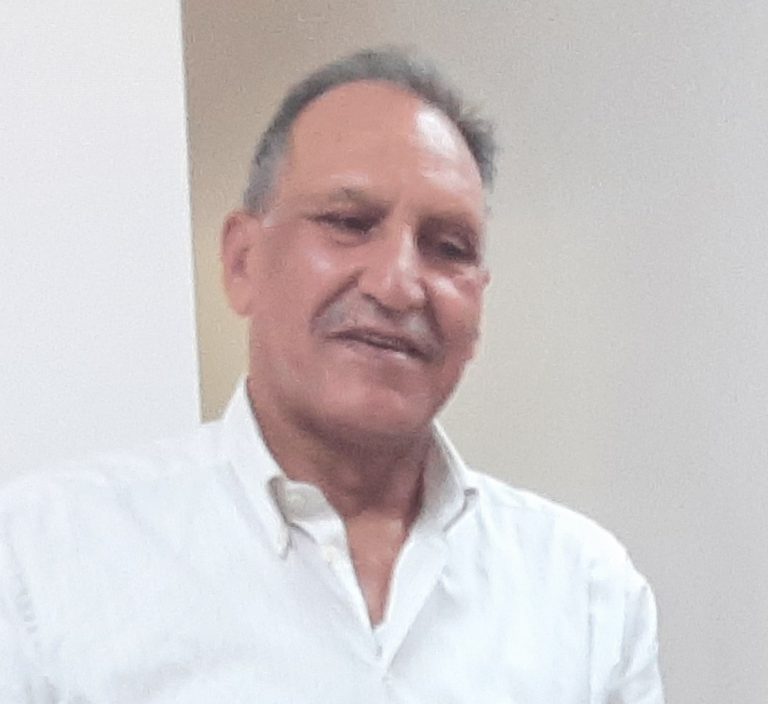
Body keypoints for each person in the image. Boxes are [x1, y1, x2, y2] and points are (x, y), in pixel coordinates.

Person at [0, 48, 664, 702]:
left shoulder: (584, 594)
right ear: (242, 261)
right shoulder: (45, 559)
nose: (397, 285)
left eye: (447, 247)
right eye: (349, 223)